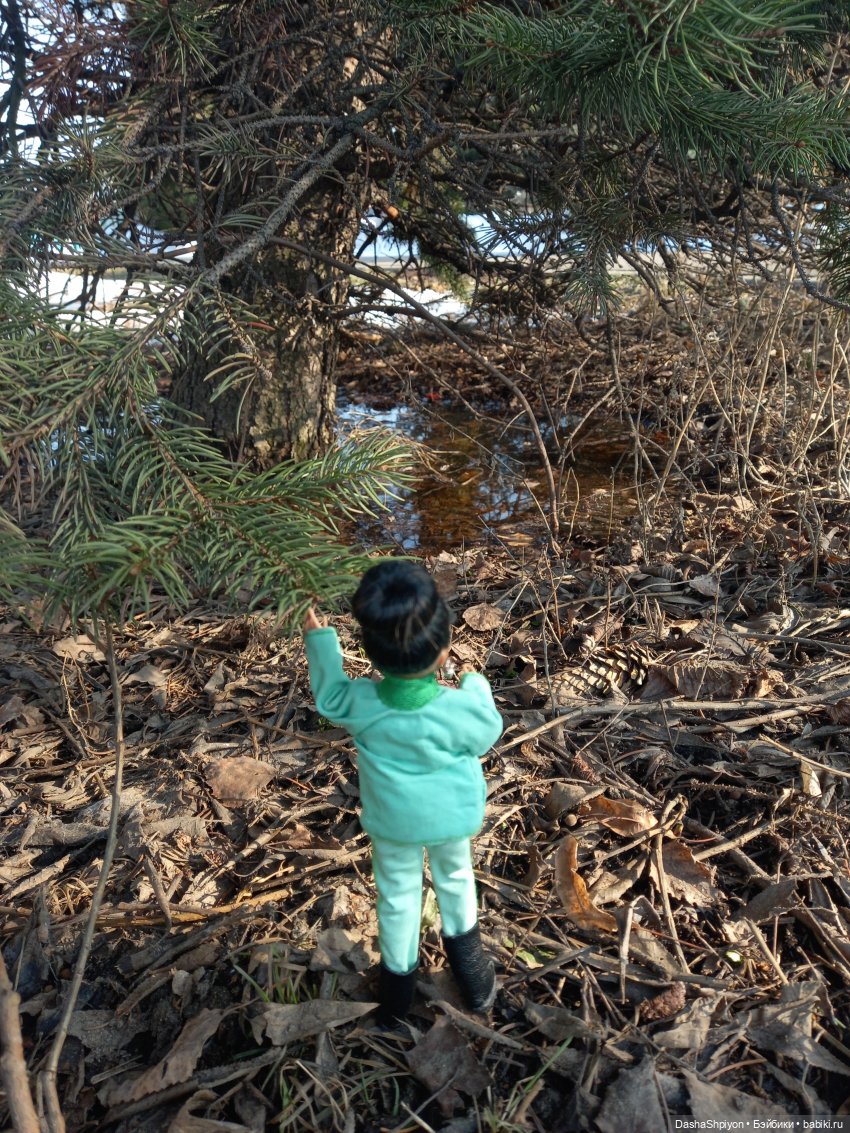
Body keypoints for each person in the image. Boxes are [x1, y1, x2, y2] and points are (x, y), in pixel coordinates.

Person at [303, 558, 503, 1025]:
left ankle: (395, 999)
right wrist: (475, 683)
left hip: (392, 824)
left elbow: (328, 695)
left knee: (396, 896)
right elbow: (486, 730)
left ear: (371, 656)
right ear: (444, 650)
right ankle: (475, 982)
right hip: (452, 818)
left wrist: (317, 633)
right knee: (456, 882)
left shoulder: (361, 702)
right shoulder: (461, 706)